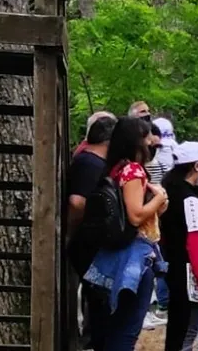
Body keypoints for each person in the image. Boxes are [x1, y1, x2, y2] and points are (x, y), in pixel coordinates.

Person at [81, 117, 169, 351]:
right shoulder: (134, 170)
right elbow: (136, 216)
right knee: (126, 332)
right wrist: (159, 198)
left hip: (116, 254)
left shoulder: (117, 168)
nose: (151, 140)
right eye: (146, 135)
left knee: (113, 329)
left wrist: (158, 203)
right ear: (135, 140)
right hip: (135, 255)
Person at [159, 142, 198, 351]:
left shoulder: (169, 191)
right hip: (189, 273)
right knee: (186, 331)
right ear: (196, 166)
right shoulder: (189, 199)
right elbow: (195, 240)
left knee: (178, 329)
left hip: (174, 267)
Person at [68, 112, 116, 351]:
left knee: (100, 301)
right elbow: (77, 202)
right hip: (86, 244)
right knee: (98, 302)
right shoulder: (89, 163)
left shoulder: (95, 162)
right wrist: (71, 230)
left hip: (93, 243)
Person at [145, 129, 171, 328]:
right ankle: (150, 308)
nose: (154, 150)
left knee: (157, 264)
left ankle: (151, 306)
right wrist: (159, 199)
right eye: (151, 146)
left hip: (153, 222)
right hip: (144, 226)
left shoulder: (157, 165)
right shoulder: (135, 171)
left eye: (156, 147)